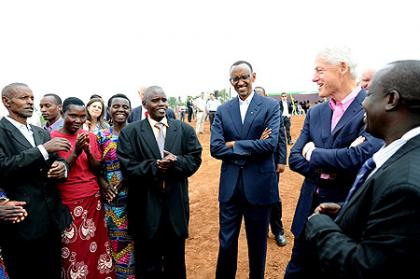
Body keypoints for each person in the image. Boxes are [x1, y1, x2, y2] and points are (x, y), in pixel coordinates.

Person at [305, 60, 420, 278]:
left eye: (368, 94)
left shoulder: (405, 186)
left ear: (391, 100)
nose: (363, 103)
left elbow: (366, 268)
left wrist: (319, 226)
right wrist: (350, 211)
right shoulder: (403, 154)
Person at [284, 47, 383, 278]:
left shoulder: (372, 107)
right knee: (296, 271)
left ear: (342, 68)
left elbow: (362, 157)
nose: (313, 77)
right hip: (309, 211)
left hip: (348, 214)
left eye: (319, 70)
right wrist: (334, 168)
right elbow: (295, 158)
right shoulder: (316, 112)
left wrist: (315, 154)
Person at [117, 86, 202, 278]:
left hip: (175, 207)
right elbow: (128, 167)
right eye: (155, 100)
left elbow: (195, 159)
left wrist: (177, 161)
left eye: (164, 99)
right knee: (147, 264)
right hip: (144, 207)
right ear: (144, 104)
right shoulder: (130, 132)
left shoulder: (183, 129)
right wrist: (155, 166)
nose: (161, 103)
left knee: (175, 264)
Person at [210, 61, 280, 279]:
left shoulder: (270, 106)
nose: (240, 82)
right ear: (230, 81)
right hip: (230, 188)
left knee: (257, 244)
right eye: (235, 79)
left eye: (244, 77)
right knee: (227, 243)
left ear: (254, 77)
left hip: (259, 186)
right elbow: (215, 148)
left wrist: (234, 145)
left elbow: (270, 145)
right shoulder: (223, 110)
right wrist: (252, 144)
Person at [0, 83, 72, 279]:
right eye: (24, 98)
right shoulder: (1, 131)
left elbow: (56, 159)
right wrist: (42, 150)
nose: (30, 102)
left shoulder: (40, 132)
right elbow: (3, 165)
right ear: (6, 101)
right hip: (21, 222)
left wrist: (61, 168)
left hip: (51, 220)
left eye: (32, 98)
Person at [51, 97, 114, 279]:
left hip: (93, 202)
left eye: (81, 116)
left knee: (98, 248)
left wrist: (86, 150)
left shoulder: (91, 137)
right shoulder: (52, 139)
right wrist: (76, 152)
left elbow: (96, 169)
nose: (77, 121)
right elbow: (57, 173)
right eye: (72, 116)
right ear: (63, 113)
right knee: (73, 250)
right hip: (68, 202)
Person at [96, 94, 136, 278]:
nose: (121, 109)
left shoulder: (137, 132)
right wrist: (104, 185)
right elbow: (94, 166)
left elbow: (144, 162)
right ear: (109, 109)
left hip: (136, 196)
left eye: (125, 106)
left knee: (137, 239)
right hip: (111, 200)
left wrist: (125, 180)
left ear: (130, 109)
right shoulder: (100, 136)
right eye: (116, 106)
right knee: (115, 240)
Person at [255, 86, 288, 247]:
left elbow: (281, 137)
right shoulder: (248, 114)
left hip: (271, 163)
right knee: (254, 196)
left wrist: (281, 160)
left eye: (261, 96)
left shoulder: (275, 113)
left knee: (273, 196)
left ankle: (278, 231)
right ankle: (261, 230)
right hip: (252, 162)